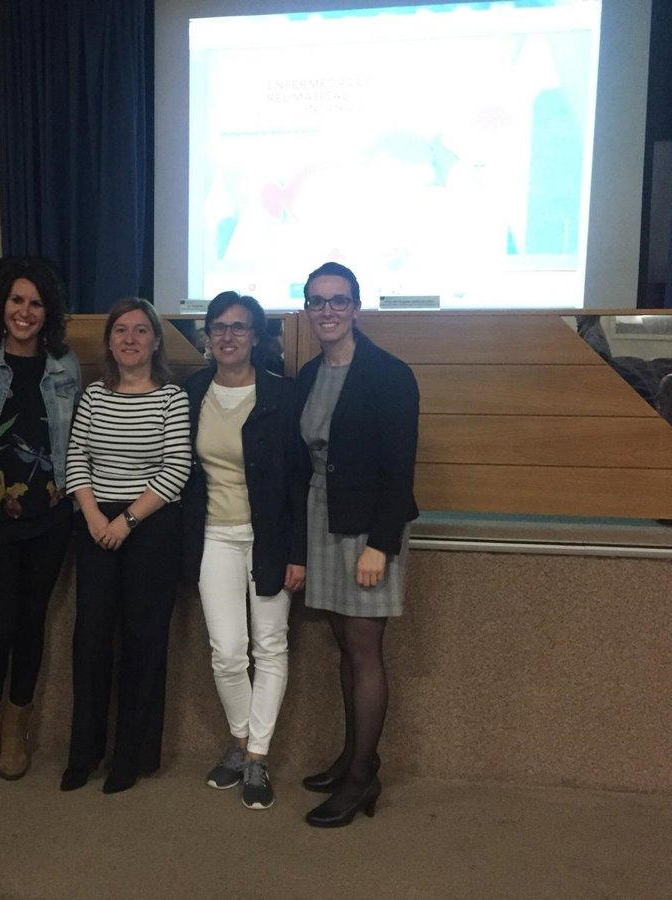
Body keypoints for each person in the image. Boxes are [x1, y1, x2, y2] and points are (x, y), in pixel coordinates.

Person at [294, 261, 419, 828]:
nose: (328, 311)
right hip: (323, 516)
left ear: (356, 307)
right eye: (317, 301)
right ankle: (352, 756)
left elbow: (400, 470)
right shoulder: (308, 374)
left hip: (369, 527)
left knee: (366, 649)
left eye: (338, 300)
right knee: (344, 642)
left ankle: (363, 775)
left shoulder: (390, 374)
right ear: (306, 309)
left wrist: (381, 545)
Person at [61, 298, 192, 794]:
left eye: (140, 330)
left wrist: (127, 521)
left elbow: (177, 467)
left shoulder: (172, 398)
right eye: (121, 330)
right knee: (91, 641)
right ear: (110, 341)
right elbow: (77, 458)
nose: (130, 339)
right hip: (96, 525)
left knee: (144, 641)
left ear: (156, 341)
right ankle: (84, 753)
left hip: (152, 527)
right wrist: (95, 516)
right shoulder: (94, 396)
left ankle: (131, 756)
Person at [181, 291, 307, 810]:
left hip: (270, 537)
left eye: (238, 327)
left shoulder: (283, 394)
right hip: (213, 535)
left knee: (270, 646)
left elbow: (300, 480)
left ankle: (256, 755)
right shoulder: (190, 392)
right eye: (219, 327)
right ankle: (239, 738)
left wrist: (298, 551)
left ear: (256, 336)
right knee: (228, 651)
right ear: (208, 336)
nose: (228, 336)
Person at [0, 257, 80, 780]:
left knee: (32, 622)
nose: (24, 311)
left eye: (35, 303)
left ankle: (16, 726)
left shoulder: (65, 365)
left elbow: (74, 439)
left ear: (48, 311)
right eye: (16, 300)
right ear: (0, 304)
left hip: (49, 516)